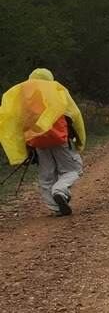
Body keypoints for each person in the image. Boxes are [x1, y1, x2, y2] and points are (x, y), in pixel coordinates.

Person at [0, 68, 86, 216]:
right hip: (60, 138)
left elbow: (15, 121)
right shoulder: (56, 89)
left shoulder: (22, 95)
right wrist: (80, 140)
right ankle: (60, 191)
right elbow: (74, 115)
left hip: (37, 141)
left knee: (46, 176)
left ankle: (56, 208)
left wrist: (22, 147)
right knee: (72, 170)